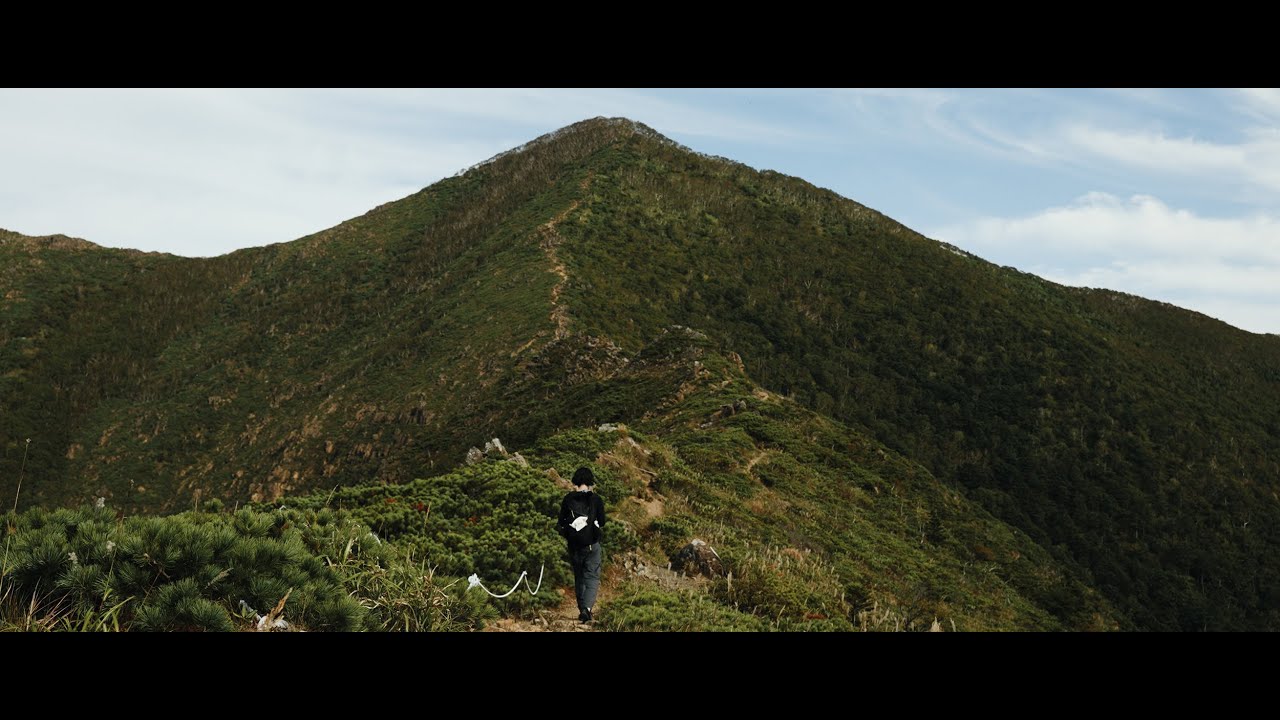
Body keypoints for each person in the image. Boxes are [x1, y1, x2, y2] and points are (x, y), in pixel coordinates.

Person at [557, 467, 607, 623]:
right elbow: (602, 522)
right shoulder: (596, 499)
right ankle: (587, 609)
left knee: (579, 577)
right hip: (592, 545)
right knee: (592, 577)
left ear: (575, 481)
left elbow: (561, 523)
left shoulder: (568, 499)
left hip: (574, 546)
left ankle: (581, 608)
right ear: (590, 482)